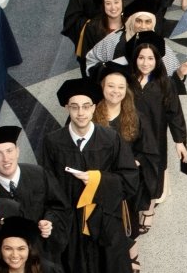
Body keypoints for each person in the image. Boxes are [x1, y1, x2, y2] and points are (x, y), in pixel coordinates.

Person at [41, 78, 139, 273]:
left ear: (94, 107)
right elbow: (47, 185)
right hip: (71, 222)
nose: (81, 113)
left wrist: (98, 180)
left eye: (86, 107)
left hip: (105, 217)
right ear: (67, 108)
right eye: (74, 107)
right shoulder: (52, 142)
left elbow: (130, 180)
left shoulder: (110, 139)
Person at [92, 61, 159, 271]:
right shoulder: (90, 114)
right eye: (111, 86)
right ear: (102, 87)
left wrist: (133, 162)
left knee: (127, 221)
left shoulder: (135, 116)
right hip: (98, 179)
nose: (116, 91)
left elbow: (146, 148)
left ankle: (132, 255)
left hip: (126, 181)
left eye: (121, 87)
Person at [128, 33, 187, 234]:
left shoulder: (165, 84)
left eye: (150, 58)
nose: (145, 63)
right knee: (132, 172)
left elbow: (175, 114)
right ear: (135, 58)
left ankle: (150, 209)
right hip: (130, 137)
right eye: (141, 58)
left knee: (153, 174)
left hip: (155, 138)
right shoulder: (127, 82)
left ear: (157, 60)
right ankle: (132, 207)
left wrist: (179, 141)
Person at [0, 126, 71, 271]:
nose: (6, 158)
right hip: (6, 262)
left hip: (43, 254)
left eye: (9, 151)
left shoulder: (39, 174)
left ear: (17, 151)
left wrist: (49, 221)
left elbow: (60, 206)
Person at [85, 0, 187, 86]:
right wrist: (107, 75)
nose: (143, 26)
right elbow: (92, 61)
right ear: (131, 22)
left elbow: (169, 84)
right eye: (139, 21)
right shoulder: (113, 40)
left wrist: (180, 73)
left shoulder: (159, 45)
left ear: (153, 24)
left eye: (148, 22)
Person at [78, 0, 127, 77]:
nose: (113, 7)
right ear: (103, 6)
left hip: (126, 78)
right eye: (108, 3)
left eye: (116, 2)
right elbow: (86, 60)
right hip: (100, 77)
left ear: (122, 3)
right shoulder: (92, 27)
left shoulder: (130, 24)